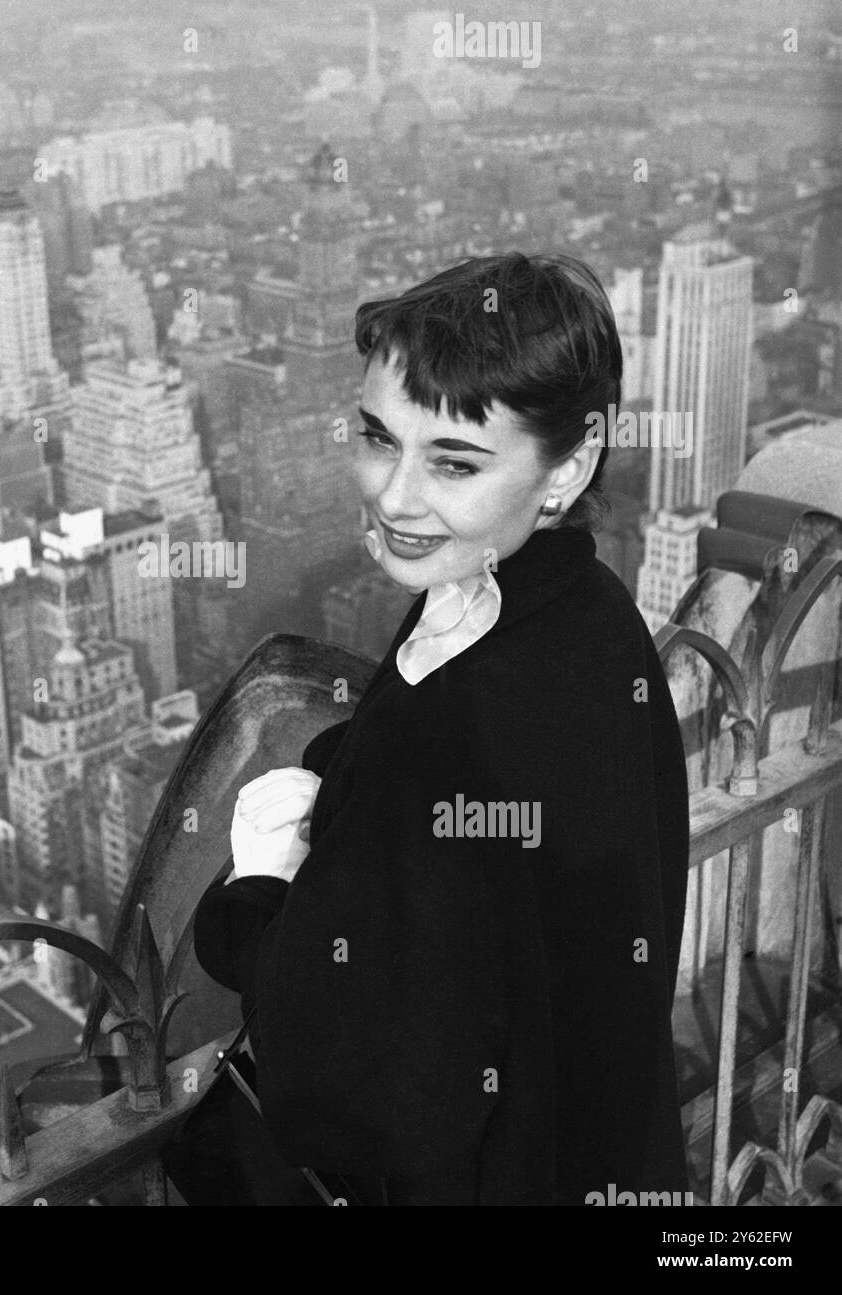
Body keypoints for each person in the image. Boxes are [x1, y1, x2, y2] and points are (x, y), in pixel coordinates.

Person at [193, 253, 691, 1205]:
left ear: (570, 464)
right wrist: (363, 783)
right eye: (379, 438)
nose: (393, 495)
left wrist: (255, 897)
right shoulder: (586, 613)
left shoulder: (469, 708)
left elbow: (363, 1082)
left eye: (454, 461)